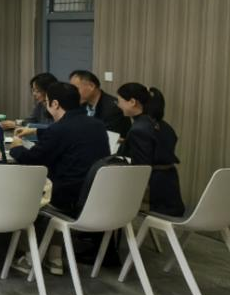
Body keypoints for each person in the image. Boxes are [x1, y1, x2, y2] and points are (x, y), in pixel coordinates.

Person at [10, 80, 110, 275]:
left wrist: (16, 148)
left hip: (66, 199)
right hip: (94, 196)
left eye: (47, 101)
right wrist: (37, 131)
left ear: (55, 104)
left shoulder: (59, 129)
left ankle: (30, 258)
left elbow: (32, 159)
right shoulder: (97, 125)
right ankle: (55, 258)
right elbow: (70, 135)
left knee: (25, 196)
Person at [117, 82, 185, 217]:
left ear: (132, 102)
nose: (119, 105)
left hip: (153, 196)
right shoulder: (163, 125)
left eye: (120, 101)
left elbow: (141, 169)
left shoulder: (138, 130)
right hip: (169, 189)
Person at [69, 70, 131, 137]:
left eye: (76, 89)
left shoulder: (113, 108)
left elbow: (107, 137)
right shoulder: (80, 105)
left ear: (91, 86)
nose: (73, 93)